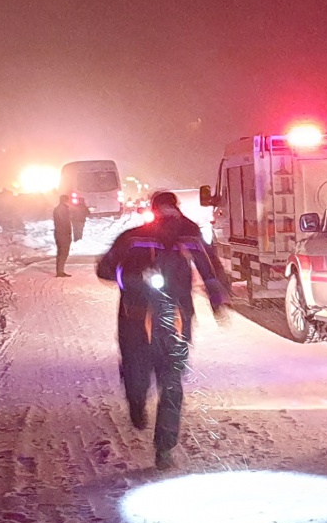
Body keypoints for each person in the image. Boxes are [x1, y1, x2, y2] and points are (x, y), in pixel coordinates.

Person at [96, 190, 230, 469]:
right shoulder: (190, 234)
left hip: (134, 315)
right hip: (178, 317)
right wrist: (218, 301)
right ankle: (165, 449)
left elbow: (106, 269)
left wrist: (126, 277)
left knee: (136, 366)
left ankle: (136, 403)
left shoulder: (133, 237)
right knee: (171, 381)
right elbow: (210, 270)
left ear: (152, 209)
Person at [52, 195, 73, 277]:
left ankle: (60, 270)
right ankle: (60, 271)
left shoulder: (58, 209)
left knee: (61, 251)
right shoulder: (63, 209)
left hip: (59, 233)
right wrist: (68, 233)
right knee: (63, 252)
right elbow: (64, 222)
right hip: (63, 233)